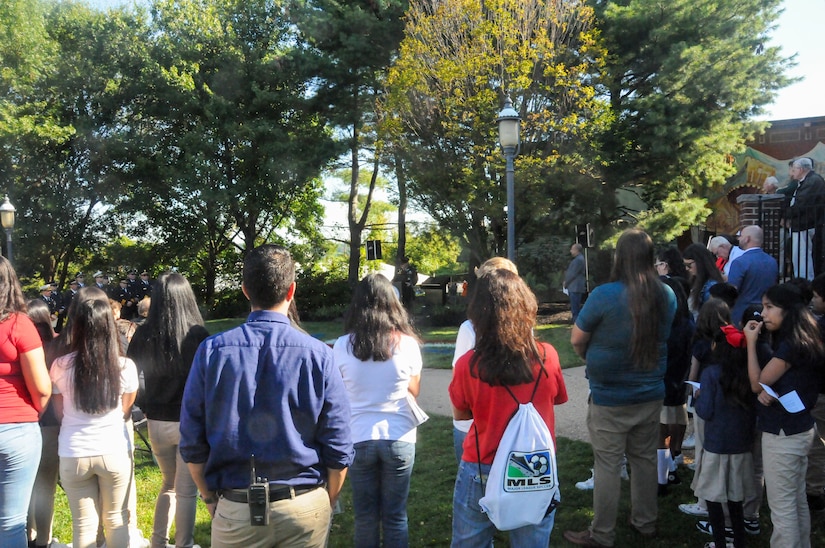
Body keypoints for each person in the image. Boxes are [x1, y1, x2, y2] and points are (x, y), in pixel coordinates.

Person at [180, 244, 353, 548]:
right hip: (303, 505)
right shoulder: (319, 355)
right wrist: (326, 500)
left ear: (245, 290)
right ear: (292, 291)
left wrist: (208, 498)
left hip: (237, 508)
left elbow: (192, 441)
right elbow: (339, 445)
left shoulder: (212, 352)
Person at [564, 228, 676, 547]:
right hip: (650, 391)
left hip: (610, 396)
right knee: (643, 459)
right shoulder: (666, 294)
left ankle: (601, 534)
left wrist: (589, 356)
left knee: (608, 464)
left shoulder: (604, 294)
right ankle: (645, 523)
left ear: (620, 258)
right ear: (649, 258)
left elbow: (576, 339)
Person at [450, 268, 568, 546]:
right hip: (533, 466)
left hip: (482, 464)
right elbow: (557, 398)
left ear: (479, 313)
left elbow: (461, 413)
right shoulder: (547, 356)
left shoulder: (469, 364)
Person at [333, 273, 422, 547]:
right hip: (399, 436)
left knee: (365, 517)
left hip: (357, 437)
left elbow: (337, 393)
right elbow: (414, 390)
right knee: (395, 517)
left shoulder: (342, 346)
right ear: (392, 303)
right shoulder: (407, 344)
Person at [50, 287, 139, 548]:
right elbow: (126, 408)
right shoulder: (125, 366)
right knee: (116, 520)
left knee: (83, 525)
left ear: (76, 327)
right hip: (113, 450)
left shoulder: (61, 365)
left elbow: (59, 410)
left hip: (73, 451)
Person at [127, 273, 209, 548]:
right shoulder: (198, 335)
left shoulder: (144, 333)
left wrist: (145, 404)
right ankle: (184, 544)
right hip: (189, 422)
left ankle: (158, 542)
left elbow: (129, 374)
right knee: (186, 492)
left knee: (168, 484)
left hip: (157, 422)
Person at [744, 283, 825, 547]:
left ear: (787, 311)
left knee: (782, 507)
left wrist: (750, 343)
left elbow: (758, 383)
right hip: (801, 428)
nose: (763, 314)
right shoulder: (808, 336)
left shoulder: (790, 345)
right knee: (796, 499)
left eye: (769, 307)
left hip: (783, 433)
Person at [0, 257, 51, 548]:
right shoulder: (19, 325)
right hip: (17, 429)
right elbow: (42, 389)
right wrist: (31, 414)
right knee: (11, 523)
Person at [693, 325, 757, 548]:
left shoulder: (711, 374)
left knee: (713, 498)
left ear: (716, 347)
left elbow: (705, 411)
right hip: (741, 445)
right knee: (736, 499)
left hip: (716, 445)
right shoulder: (749, 374)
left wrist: (698, 397)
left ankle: (720, 542)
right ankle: (739, 541)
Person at [451, 257, 519, 462]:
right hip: (515, 421)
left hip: (475, 423)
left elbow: (459, 385)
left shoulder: (469, 328)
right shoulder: (524, 328)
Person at [25, 300, 60, 548]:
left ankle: (26, 535)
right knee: (46, 484)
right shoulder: (58, 346)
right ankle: (44, 539)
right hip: (52, 422)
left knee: (23, 485)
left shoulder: (21, 345)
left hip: (26, 419)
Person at [657, 276, 695, 495]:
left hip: (662, 380)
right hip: (679, 381)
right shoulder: (687, 319)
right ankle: (674, 458)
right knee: (677, 420)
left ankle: (663, 477)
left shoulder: (665, 324)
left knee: (658, 433)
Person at [727, 225, 778, 326]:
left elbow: (731, 291)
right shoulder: (772, 262)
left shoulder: (739, 262)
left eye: (741, 236)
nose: (739, 238)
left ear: (747, 239)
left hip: (742, 313)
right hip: (765, 312)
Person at [786, 157, 825, 280]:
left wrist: (786, 215)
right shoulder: (809, 180)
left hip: (806, 223)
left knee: (802, 256)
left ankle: (805, 281)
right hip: (805, 223)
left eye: (794, 169)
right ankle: (803, 279)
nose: (793, 172)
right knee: (800, 255)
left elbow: (801, 204)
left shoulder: (812, 181)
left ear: (801, 169)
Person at [682, 244, 724, 320]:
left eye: (689, 265)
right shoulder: (695, 281)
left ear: (700, 262)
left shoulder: (711, 286)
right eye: (684, 265)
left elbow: (712, 317)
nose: (686, 268)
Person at [564, 243, 587, 323]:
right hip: (574, 287)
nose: (571, 251)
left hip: (575, 287)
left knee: (575, 308)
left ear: (576, 250)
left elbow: (573, 274)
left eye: (572, 249)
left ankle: (577, 324)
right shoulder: (579, 259)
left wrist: (566, 283)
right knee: (575, 307)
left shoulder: (578, 260)